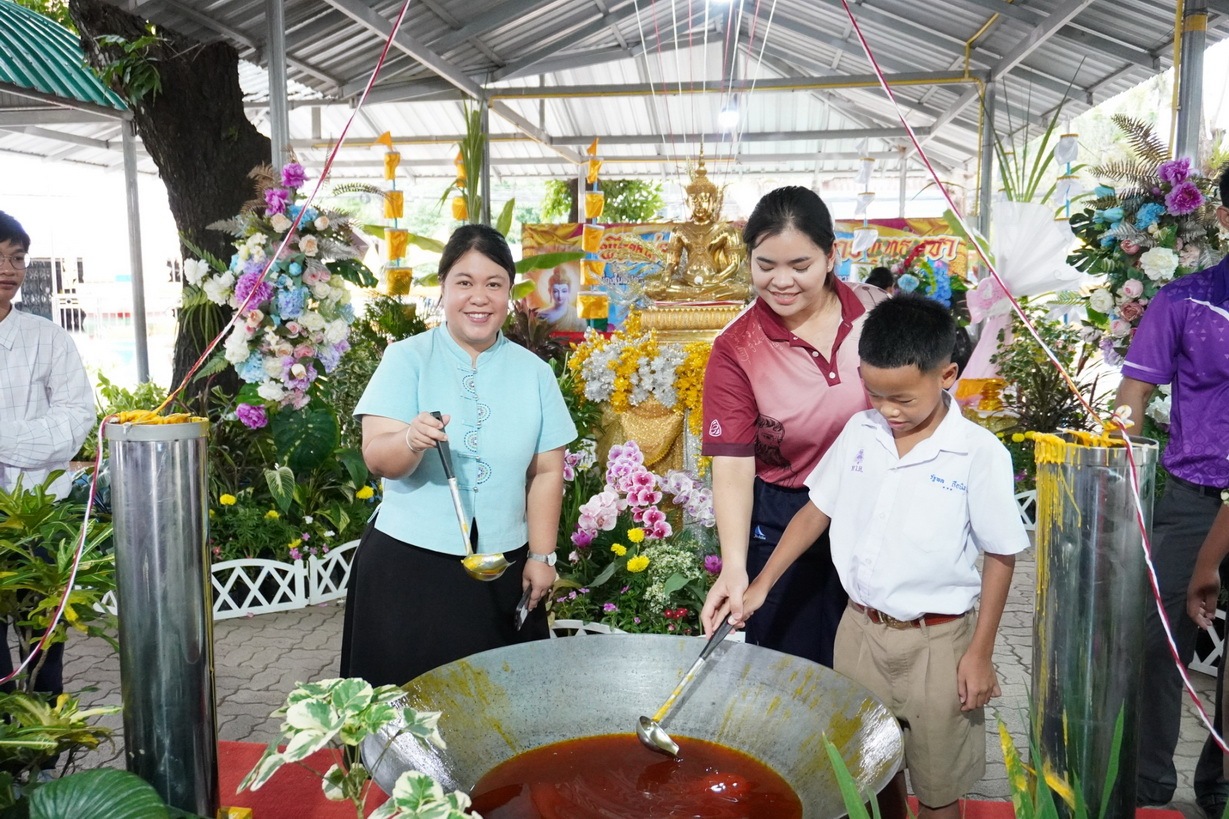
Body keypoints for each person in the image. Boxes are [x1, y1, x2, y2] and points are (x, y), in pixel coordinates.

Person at [711, 294, 1027, 819]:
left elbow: (1001, 554)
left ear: (947, 375)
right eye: (874, 393)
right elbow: (816, 511)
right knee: (868, 770)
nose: (888, 410)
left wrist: (980, 653)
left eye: (902, 399)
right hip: (858, 632)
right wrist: (761, 583)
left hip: (938, 644)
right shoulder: (860, 433)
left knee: (939, 785)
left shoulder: (978, 454)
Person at [339, 224, 577, 687]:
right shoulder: (406, 358)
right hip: (408, 567)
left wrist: (542, 556)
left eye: (494, 284)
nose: (479, 298)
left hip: (503, 570)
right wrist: (410, 440)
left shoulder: (535, 374)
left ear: (510, 292)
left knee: (502, 706)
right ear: (443, 288)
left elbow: (547, 472)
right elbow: (377, 457)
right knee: (403, 707)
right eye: (464, 282)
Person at [700, 186, 885, 667]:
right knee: (788, 669)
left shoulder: (878, 314)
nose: (781, 282)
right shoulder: (736, 348)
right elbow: (733, 466)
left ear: (831, 256)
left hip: (876, 507)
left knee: (869, 665)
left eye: (800, 265)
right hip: (784, 516)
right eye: (765, 265)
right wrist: (734, 566)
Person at [1118, 165, 1229, 814]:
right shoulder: (1185, 300)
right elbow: (1134, 390)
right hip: (1192, 496)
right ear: (1224, 218)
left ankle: (1220, 782)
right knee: (1160, 644)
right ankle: (1147, 784)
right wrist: (1124, 462)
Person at [0, 211, 95, 700]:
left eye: (16, 258)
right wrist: (26, 438)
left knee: (42, 645)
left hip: (41, 516)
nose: (8, 269)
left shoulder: (47, 338)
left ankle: (44, 741)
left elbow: (75, 421)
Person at [537, 266, 585, 332]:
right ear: (549, 291)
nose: (560, 295)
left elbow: (583, 335)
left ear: (569, 291)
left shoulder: (577, 315)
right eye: (555, 291)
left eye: (564, 291)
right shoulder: (542, 315)